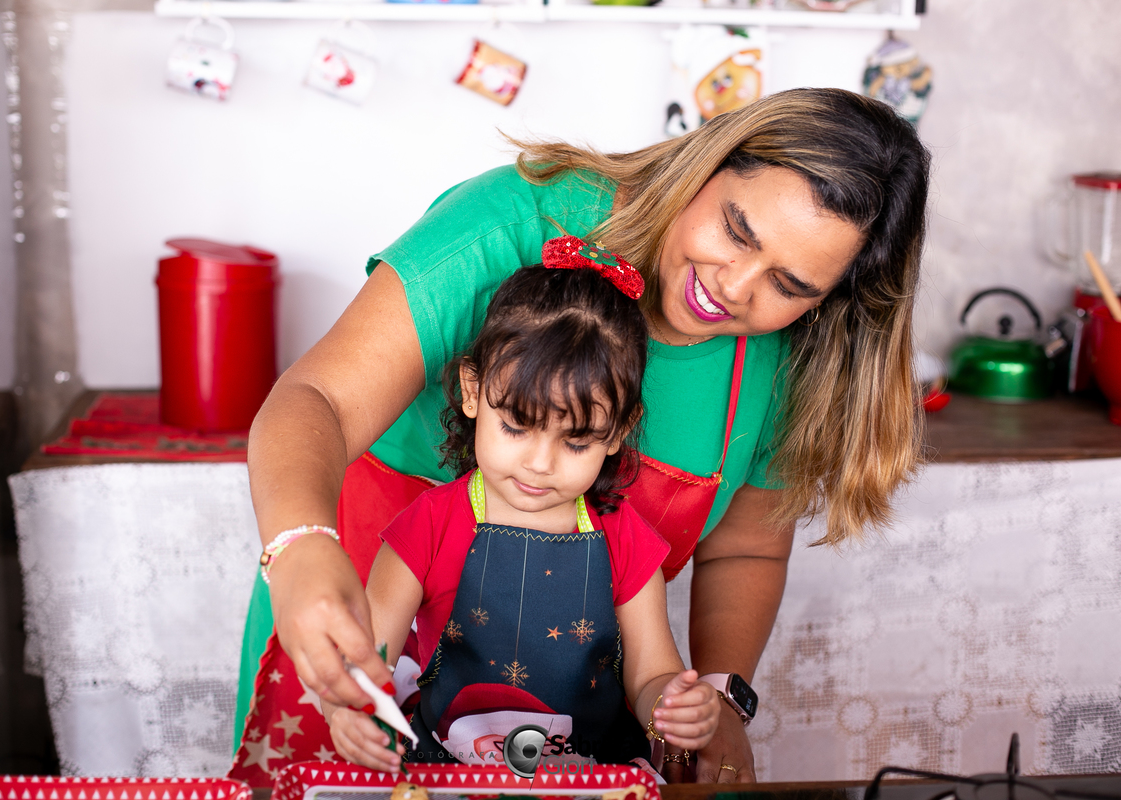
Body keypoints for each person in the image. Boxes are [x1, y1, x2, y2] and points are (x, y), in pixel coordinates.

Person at [239, 87, 930, 783]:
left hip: (572, 731)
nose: (735, 285)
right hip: (348, 623)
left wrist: (718, 701)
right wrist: (300, 553)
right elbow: (317, 399)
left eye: (789, 282)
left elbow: (745, 549)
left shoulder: (792, 354)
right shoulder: (511, 222)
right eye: (736, 229)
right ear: (709, 159)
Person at [325, 245, 720, 773]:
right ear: (472, 391)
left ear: (618, 432)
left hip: (592, 777)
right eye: (516, 426)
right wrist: (350, 706)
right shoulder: (428, 525)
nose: (539, 463)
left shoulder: (626, 540)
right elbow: (368, 658)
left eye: (576, 441)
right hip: (449, 771)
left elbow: (651, 677)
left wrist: (672, 710)